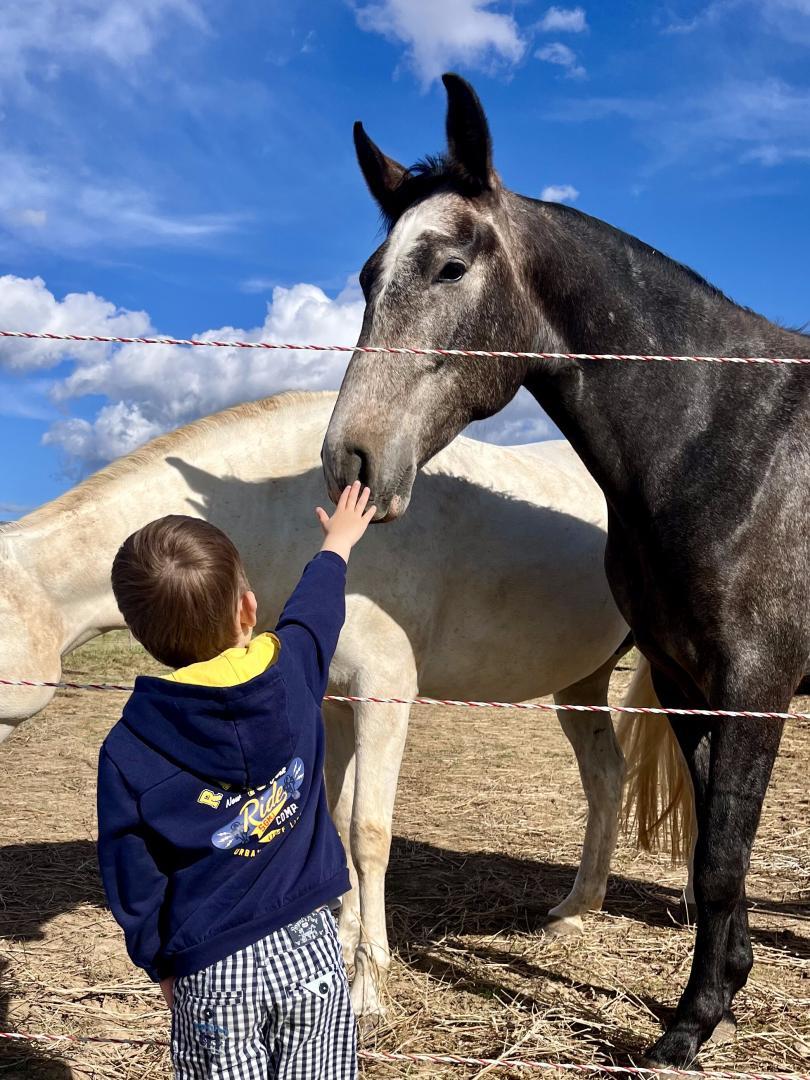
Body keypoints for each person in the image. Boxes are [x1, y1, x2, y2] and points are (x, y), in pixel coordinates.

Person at [97, 481, 376, 1079]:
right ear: (247, 610)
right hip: (312, 948)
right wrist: (338, 544)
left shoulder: (130, 745)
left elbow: (132, 873)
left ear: (141, 637)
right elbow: (316, 609)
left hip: (211, 966)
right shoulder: (293, 666)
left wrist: (162, 964)